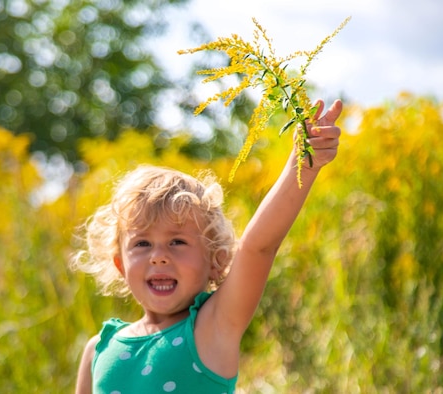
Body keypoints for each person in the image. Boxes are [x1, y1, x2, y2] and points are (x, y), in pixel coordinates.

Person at [73, 99, 343, 393]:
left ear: (215, 260)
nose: (159, 257)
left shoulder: (212, 328)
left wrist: (301, 165)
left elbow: (257, 247)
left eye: (177, 241)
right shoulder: (98, 349)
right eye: (142, 243)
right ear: (120, 265)